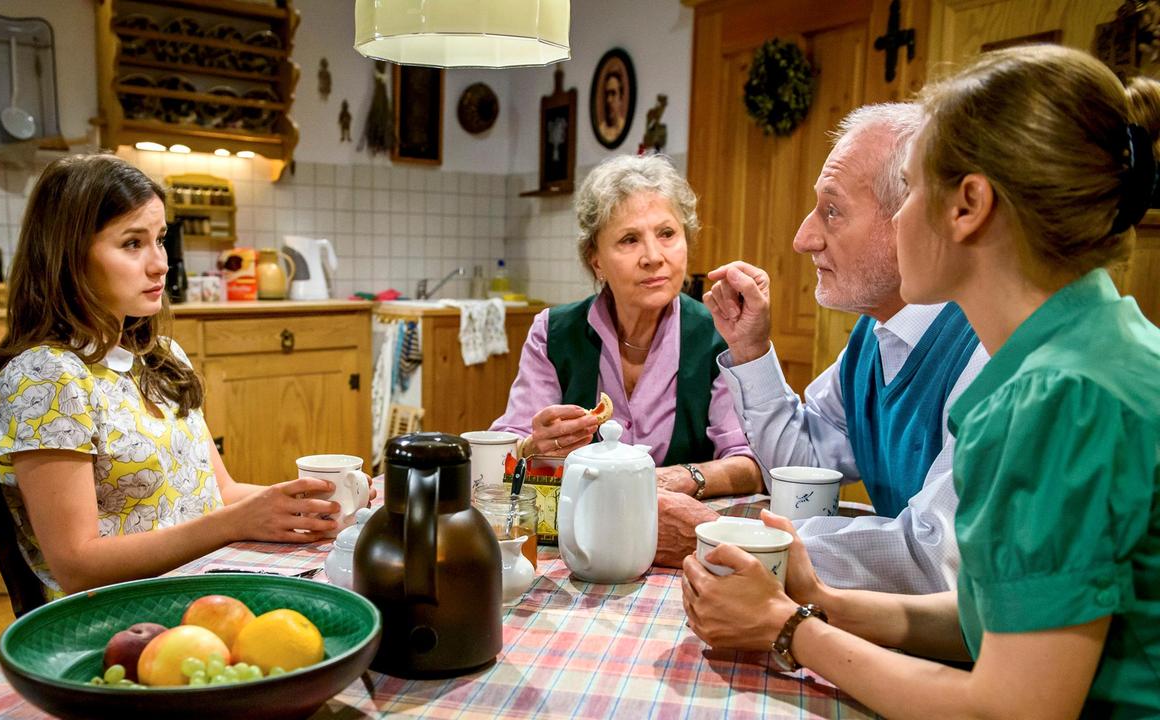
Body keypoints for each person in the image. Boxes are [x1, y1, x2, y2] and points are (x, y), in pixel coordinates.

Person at [682, 46, 1160, 717]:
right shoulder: (1085, 347)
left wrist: (790, 631)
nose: (903, 216)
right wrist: (825, 602)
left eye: (911, 189)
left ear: (967, 205)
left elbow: (1007, 710)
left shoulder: (1057, 396)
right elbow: (989, 622)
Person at [0, 154, 367, 601]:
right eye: (132, 244)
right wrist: (233, 523)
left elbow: (221, 491)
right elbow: (77, 565)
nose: (160, 263)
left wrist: (319, 505)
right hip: (123, 612)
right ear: (66, 254)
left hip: (203, 582)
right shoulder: (45, 377)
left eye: (159, 240)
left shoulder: (159, 358)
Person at [656, 103, 989, 596]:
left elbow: (936, 557)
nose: (803, 238)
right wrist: (751, 349)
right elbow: (802, 463)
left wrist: (727, 536)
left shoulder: (985, 347)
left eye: (831, 211)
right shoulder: (874, 337)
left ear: (921, 216)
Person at [492, 154, 760, 499]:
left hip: (682, 533)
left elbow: (750, 463)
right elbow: (504, 452)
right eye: (629, 240)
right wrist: (532, 446)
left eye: (667, 234)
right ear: (596, 260)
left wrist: (681, 477)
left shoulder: (719, 334)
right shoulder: (553, 333)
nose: (653, 256)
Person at [597, 69, 626, 141]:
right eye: (607, 94)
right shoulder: (601, 130)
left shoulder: (624, 127)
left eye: (613, 93)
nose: (609, 100)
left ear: (621, 98)